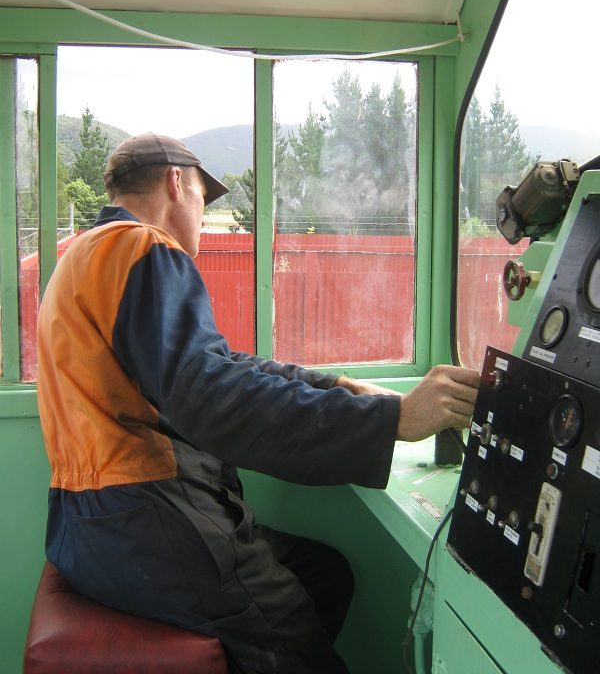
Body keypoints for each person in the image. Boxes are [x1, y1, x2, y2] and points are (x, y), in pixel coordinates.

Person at [37, 132, 479, 674]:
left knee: (324, 573)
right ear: (177, 182)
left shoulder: (88, 254)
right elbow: (212, 397)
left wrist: (337, 386)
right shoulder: (143, 249)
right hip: (145, 516)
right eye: (204, 196)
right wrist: (394, 420)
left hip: (88, 524)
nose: (202, 213)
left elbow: (220, 366)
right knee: (292, 637)